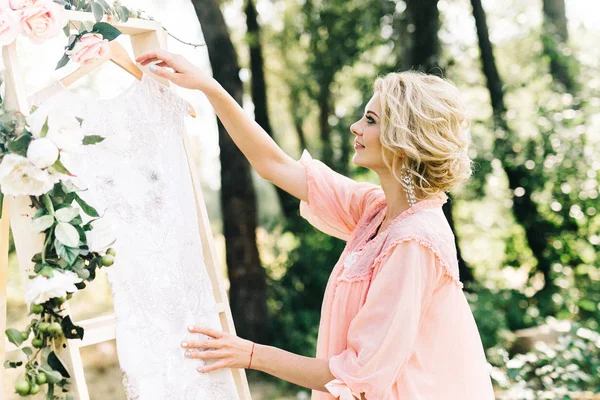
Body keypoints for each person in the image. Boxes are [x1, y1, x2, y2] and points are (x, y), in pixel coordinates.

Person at [135, 49, 496, 400]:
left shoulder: (415, 240)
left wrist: (249, 354)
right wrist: (209, 87)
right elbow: (274, 164)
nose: (355, 126)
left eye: (370, 120)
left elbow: (358, 376)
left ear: (403, 140)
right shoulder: (374, 211)